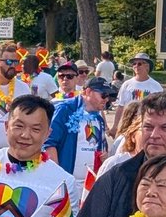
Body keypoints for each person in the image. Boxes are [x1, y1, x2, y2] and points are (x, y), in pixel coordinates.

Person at [45, 76, 115, 204]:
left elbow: (99, 147)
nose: (106, 99)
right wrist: (58, 176)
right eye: (103, 95)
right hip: (66, 183)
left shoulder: (98, 119)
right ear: (88, 92)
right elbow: (49, 143)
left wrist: (104, 156)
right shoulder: (66, 110)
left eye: (109, 96)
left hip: (89, 185)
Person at [111, 53, 164, 135]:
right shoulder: (126, 84)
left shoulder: (156, 86)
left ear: (147, 66)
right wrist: (115, 126)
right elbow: (120, 106)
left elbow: (160, 109)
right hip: (128, 124)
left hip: (146, 125)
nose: (136, 66)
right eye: (134, 64)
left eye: (139, 64)